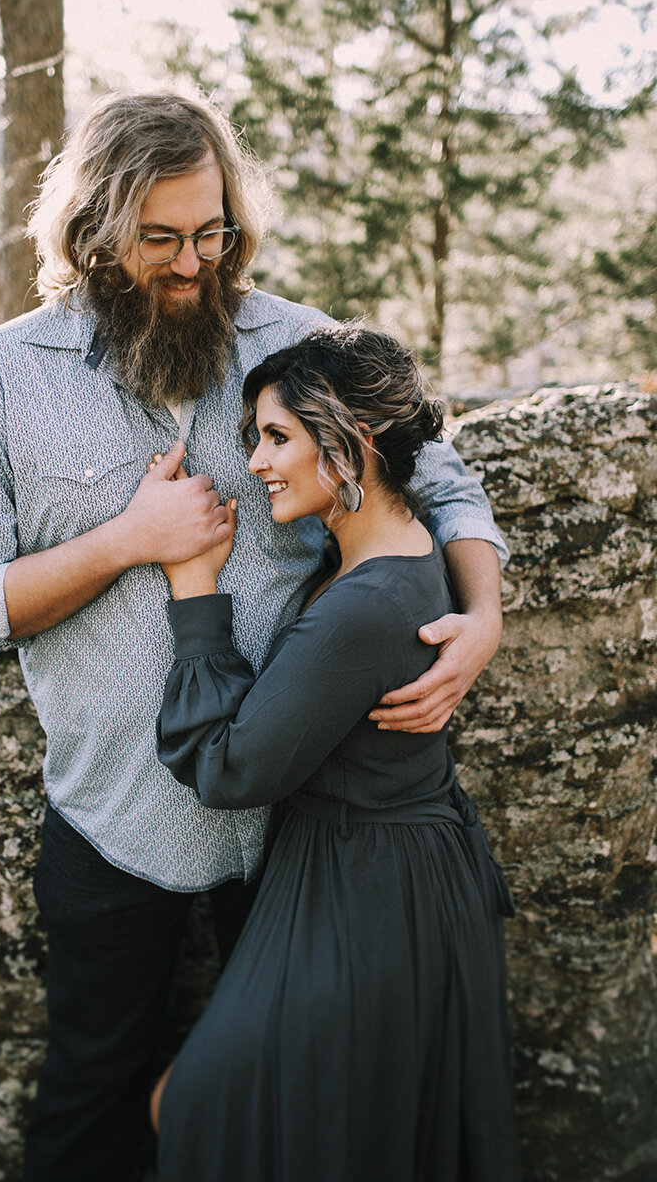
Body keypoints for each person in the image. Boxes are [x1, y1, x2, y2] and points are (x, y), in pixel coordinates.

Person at [0, 90, 509, 1181]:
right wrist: (123, 541)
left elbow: (440, 480)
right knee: (89, 1112)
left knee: (288, 1125)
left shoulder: (295, 343)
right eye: (160, 240)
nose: (194, 264)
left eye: (212, 231)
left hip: (291, 832)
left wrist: (479, 618)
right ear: (90, 232)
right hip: (108, 823)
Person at [151, 324, 518, 1182]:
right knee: (349, 1129)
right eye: (256, 439)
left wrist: (194, 587)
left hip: (367, 894)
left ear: (351, 443)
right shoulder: (401, 544)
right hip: (387, 871)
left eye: (277, 437)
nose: (257, 463)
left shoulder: (361, 605)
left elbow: (232, 767)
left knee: (196, 1103)